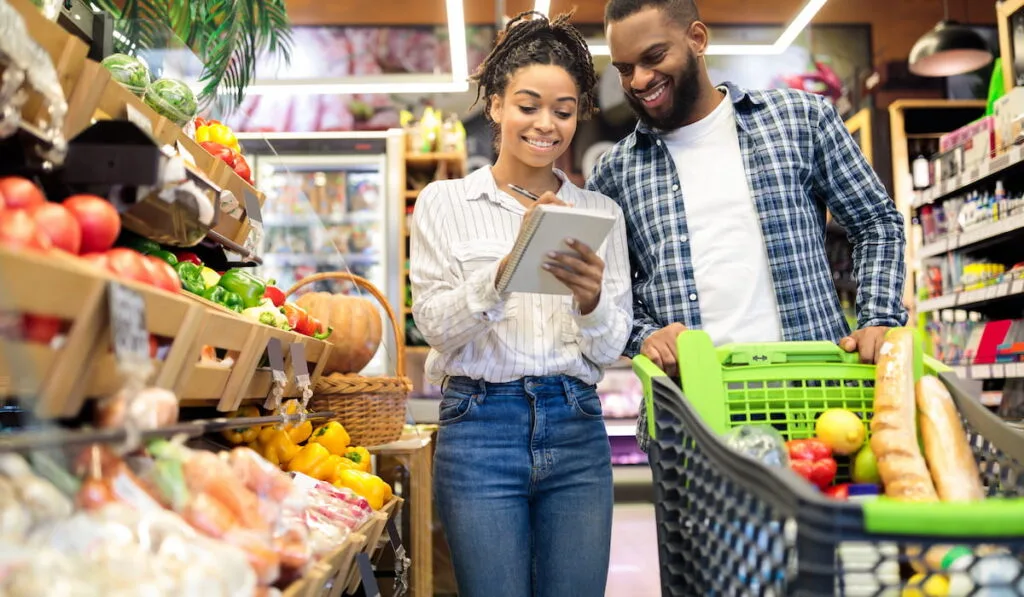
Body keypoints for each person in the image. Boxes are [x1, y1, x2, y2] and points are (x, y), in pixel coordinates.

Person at [587, 0, 908, 447]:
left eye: (654, 57)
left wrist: (879, 317)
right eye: (624, 69)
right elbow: (607, 298)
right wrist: (645, 337)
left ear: (697, 39)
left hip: (817, 399)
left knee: (822, 517)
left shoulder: (802, 120)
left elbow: (876, 222)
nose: (638, 80)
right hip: (691, 414)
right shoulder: (613, 174)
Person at [409, 11, 633, 597]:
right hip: (477, 428)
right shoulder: (444, 202)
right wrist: (503, 272)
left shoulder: (601, 214)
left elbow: (609, 348)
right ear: (496, 105)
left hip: (577, 425)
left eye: (563, 111)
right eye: (528, 105)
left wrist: (590, 302)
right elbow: (434, 326)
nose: (545, 125)